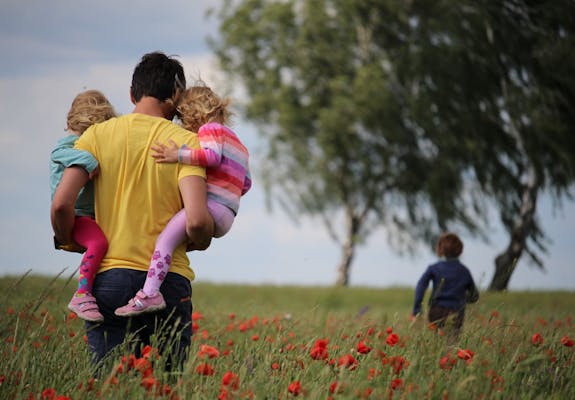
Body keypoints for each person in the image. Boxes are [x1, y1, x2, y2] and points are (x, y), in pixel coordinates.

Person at [51, 51, 214, 371]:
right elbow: (196, 220)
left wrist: (68, 237)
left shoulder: (95, 136)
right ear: (176, 98)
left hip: (109, 280)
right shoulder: (187, 144)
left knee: (111, 385)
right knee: (164, 388)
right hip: (168, 283)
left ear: (131, 93)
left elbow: (60, 204)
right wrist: (204, 237)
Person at [115, 82, 252, 317]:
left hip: (211, 207)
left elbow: (210, 156)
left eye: (184, 118)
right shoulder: (239, 144)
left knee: (164, 241)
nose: (184, 125)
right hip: (228, 213)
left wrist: (176, 155)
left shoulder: (210, 130)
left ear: (195, 113)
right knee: (177, 239)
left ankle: (149, 293)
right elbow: (246, 183)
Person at [50, 90, 116, 322]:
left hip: (89, 214)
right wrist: (90, 161)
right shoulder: (69, 144)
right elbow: (59, 154)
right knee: (98, 242)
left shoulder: (82, 142)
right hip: (76, 215)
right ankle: (82, 293)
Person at [411, 232, 479, 338]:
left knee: (437, 340)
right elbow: (474, 296)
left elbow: (421, 286)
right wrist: (462, 299)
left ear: (440, 249)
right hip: (457, 311)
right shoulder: (464, 271)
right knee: (452, 342)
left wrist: (417, 309)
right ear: (459, 250)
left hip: (436, 311)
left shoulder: (434, 268)